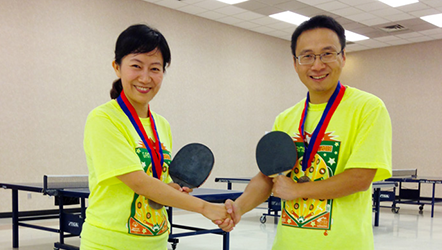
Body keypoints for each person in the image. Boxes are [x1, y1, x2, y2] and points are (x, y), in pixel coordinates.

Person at [218, 15, 392, 249]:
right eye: (307, 56)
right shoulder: (286, 117)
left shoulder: (368, 107)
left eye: (327, 54)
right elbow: (267, 178)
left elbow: (360, 177)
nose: (317, 65)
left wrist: (298, 189)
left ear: (343, 57)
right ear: (295, 63)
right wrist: (238, 207)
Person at [81, 24, 228, 250]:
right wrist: (204, 207)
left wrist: (170, 188)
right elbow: (138, 182)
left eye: (155, 69)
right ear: (117, 67)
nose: (145, 78)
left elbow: (156, 181)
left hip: (156, 241)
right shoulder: (103, 118)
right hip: (109, 243)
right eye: (136, 66)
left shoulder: (162, 125)